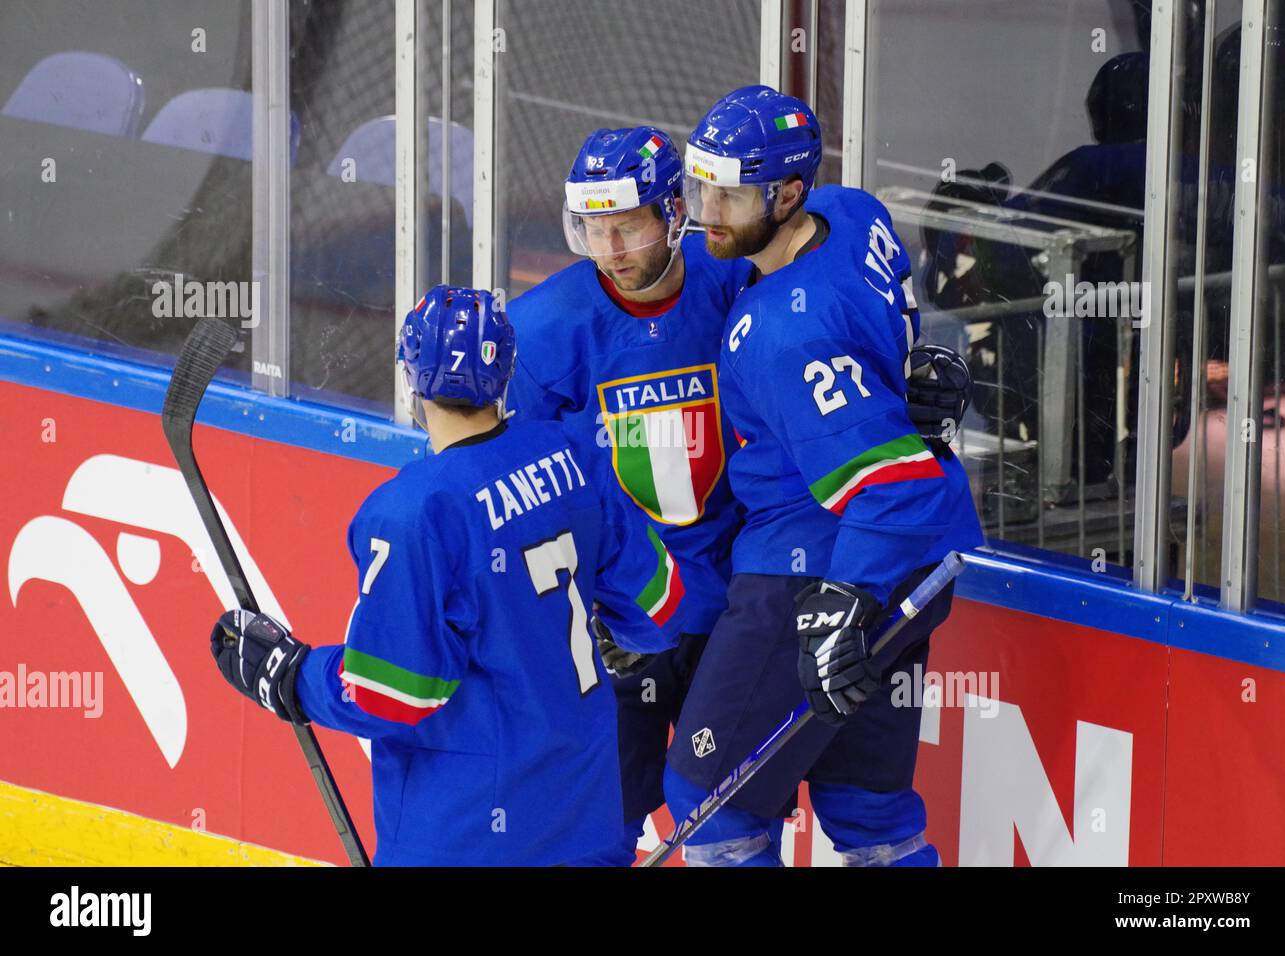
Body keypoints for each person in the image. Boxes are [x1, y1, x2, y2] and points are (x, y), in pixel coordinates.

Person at [208, 285, 688, 866]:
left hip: (465, 839)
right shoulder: (574, 454)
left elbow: (393, 690)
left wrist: (293, 677)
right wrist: (614, 638)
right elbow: (659, 608)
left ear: (411, 377)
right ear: (506, 370)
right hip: (588, 817)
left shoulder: (415, 512)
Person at [661, 86, 985, 866]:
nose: (708, 211)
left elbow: (890, 482)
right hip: (912, 564)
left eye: (730, 195)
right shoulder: (855, 211)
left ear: (789, 193)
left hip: (811, 577)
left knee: (712, 813)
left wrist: (839, 608)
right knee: (868, 809)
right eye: (701, 187)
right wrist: (931, 370)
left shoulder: (781, 332)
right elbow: (897, 350)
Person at [505, 125, 750, 864]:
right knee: (600, 821)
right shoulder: (545, 329)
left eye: (628, 227)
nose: (610, 251)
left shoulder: (734, 277)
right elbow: (518, 489)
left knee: (730, 824)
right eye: (593, 229)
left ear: (675, 213)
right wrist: (570, 605)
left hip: (737, 604)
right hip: (622, 617)